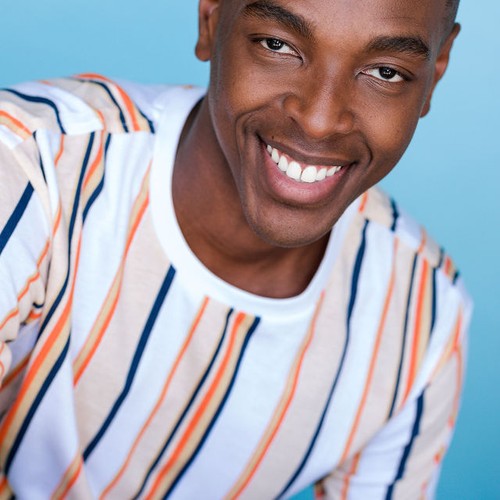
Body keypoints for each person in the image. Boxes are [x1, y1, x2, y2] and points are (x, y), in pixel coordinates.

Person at [0, 0, 472, 498]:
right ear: (211, 18)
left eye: (385, 72)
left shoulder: (423, 318)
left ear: (435, 72)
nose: (319, 120)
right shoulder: (31, 168)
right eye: (277, 45)